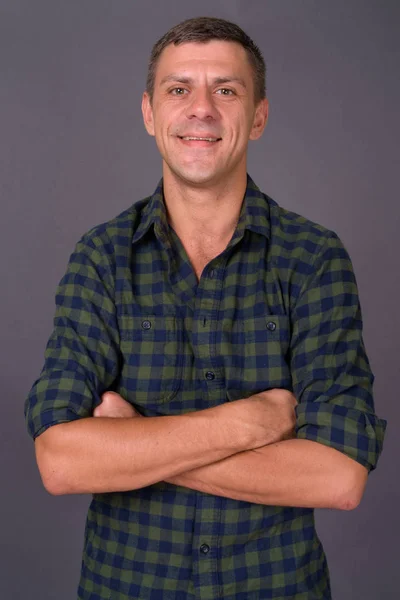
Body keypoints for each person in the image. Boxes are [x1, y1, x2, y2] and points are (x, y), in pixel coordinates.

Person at [24, 16, 387, 600]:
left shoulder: (314, 259)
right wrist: (250, 424)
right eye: (178, 89)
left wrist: (136, 443)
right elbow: (61, 461)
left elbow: (339, 476)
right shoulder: (102, 258)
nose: (202, 110)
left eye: (226, 89)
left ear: (259, 116)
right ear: (149, 114)